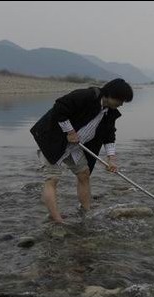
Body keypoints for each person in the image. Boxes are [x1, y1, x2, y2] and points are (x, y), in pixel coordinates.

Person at [30, 78, 133, 224]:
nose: (121, 104)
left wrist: (111, 158)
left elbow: (109, 134)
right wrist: (70, 131)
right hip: (53, 141)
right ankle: (57, 219)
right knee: (52, 178)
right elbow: (60, 107)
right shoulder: (86, 96)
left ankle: (86, 211)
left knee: (84, 174)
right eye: (120, 100)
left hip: (76, 146)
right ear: (110, 94)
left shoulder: (110, 112)